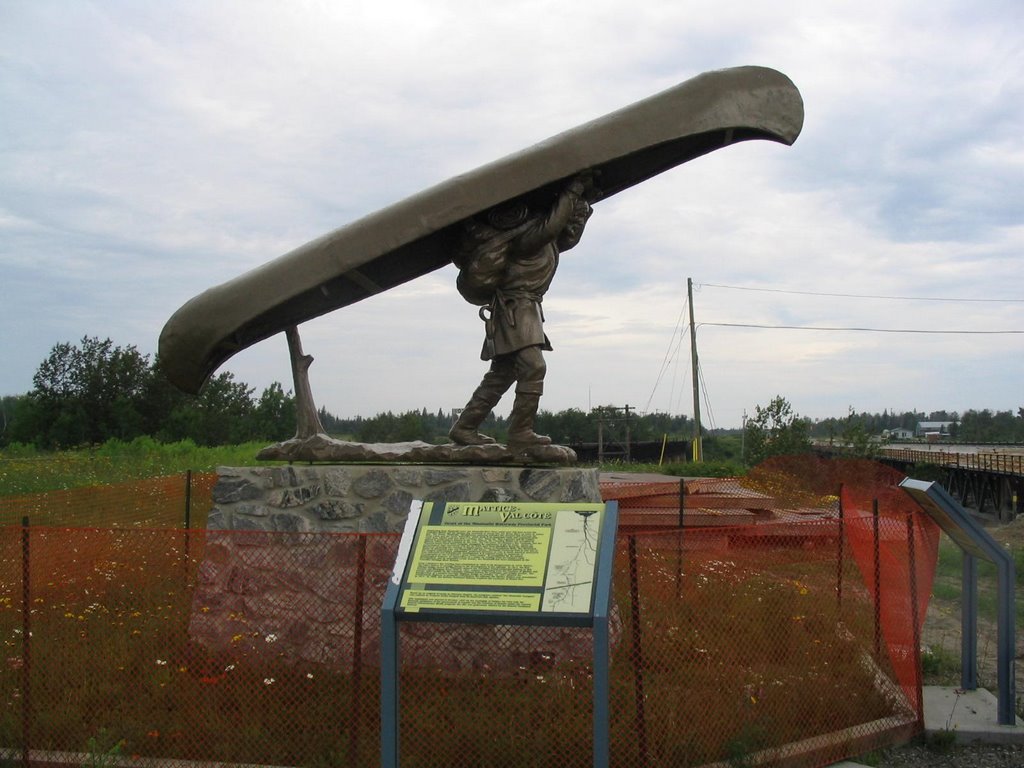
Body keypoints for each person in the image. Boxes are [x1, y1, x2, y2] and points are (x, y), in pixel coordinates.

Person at [449, 175, 594, 449]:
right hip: (516, 307)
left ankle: (465, 427)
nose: (571, 223)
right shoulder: (529, 237)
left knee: (502, 373)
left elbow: (567, 235)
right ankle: (521, 431)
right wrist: (573, 190)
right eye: (568, 216)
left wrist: (583, 201)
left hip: (524, 308)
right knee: (533, 366)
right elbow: (552, 227)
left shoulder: (548, 243)